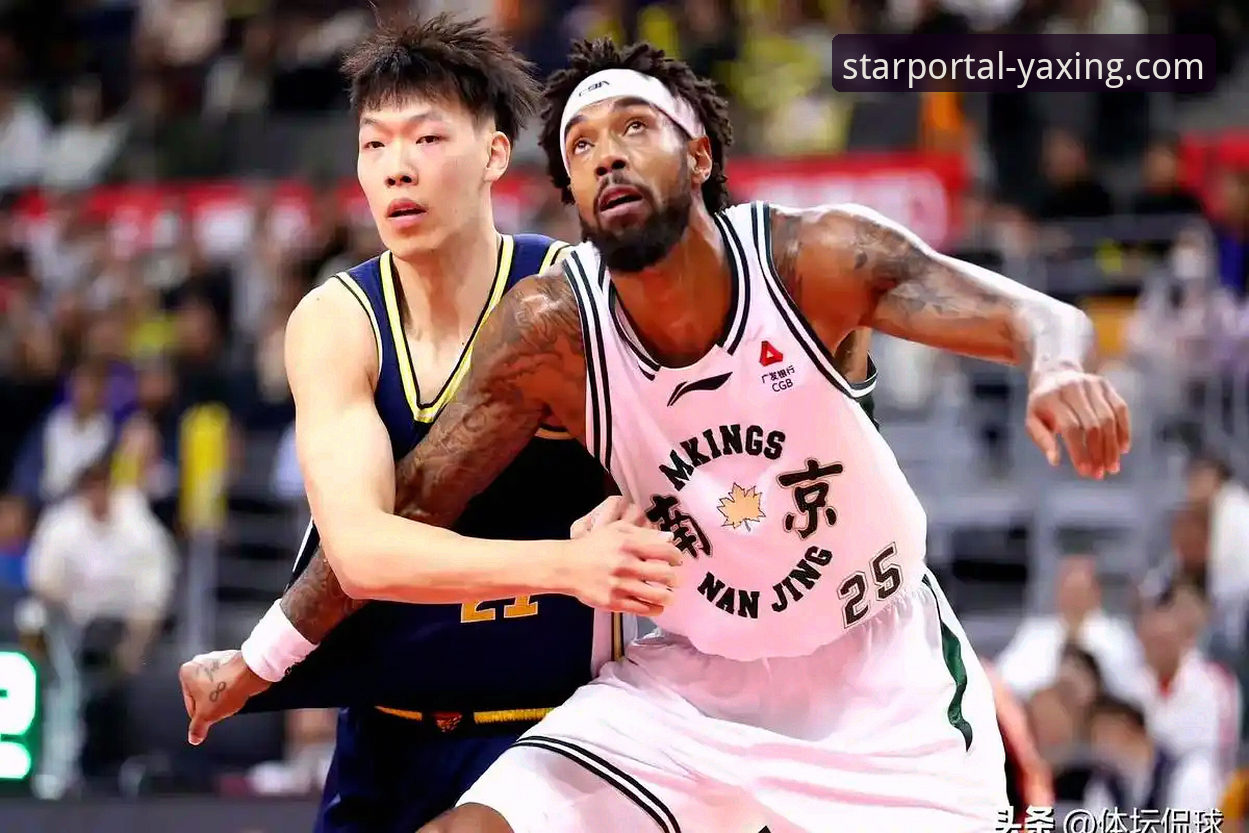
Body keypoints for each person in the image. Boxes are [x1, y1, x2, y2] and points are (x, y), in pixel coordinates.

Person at [190, 33, 1122, 829]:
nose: (607, 154)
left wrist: (1058, 367)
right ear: (569, 193)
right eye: (583, 144)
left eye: (634, 128)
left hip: (873, 676)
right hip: (685, 684)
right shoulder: (554, 329)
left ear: (699, 153)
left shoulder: (814, 260)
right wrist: (259, 659)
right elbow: (405, 514)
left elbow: (1032, 314)